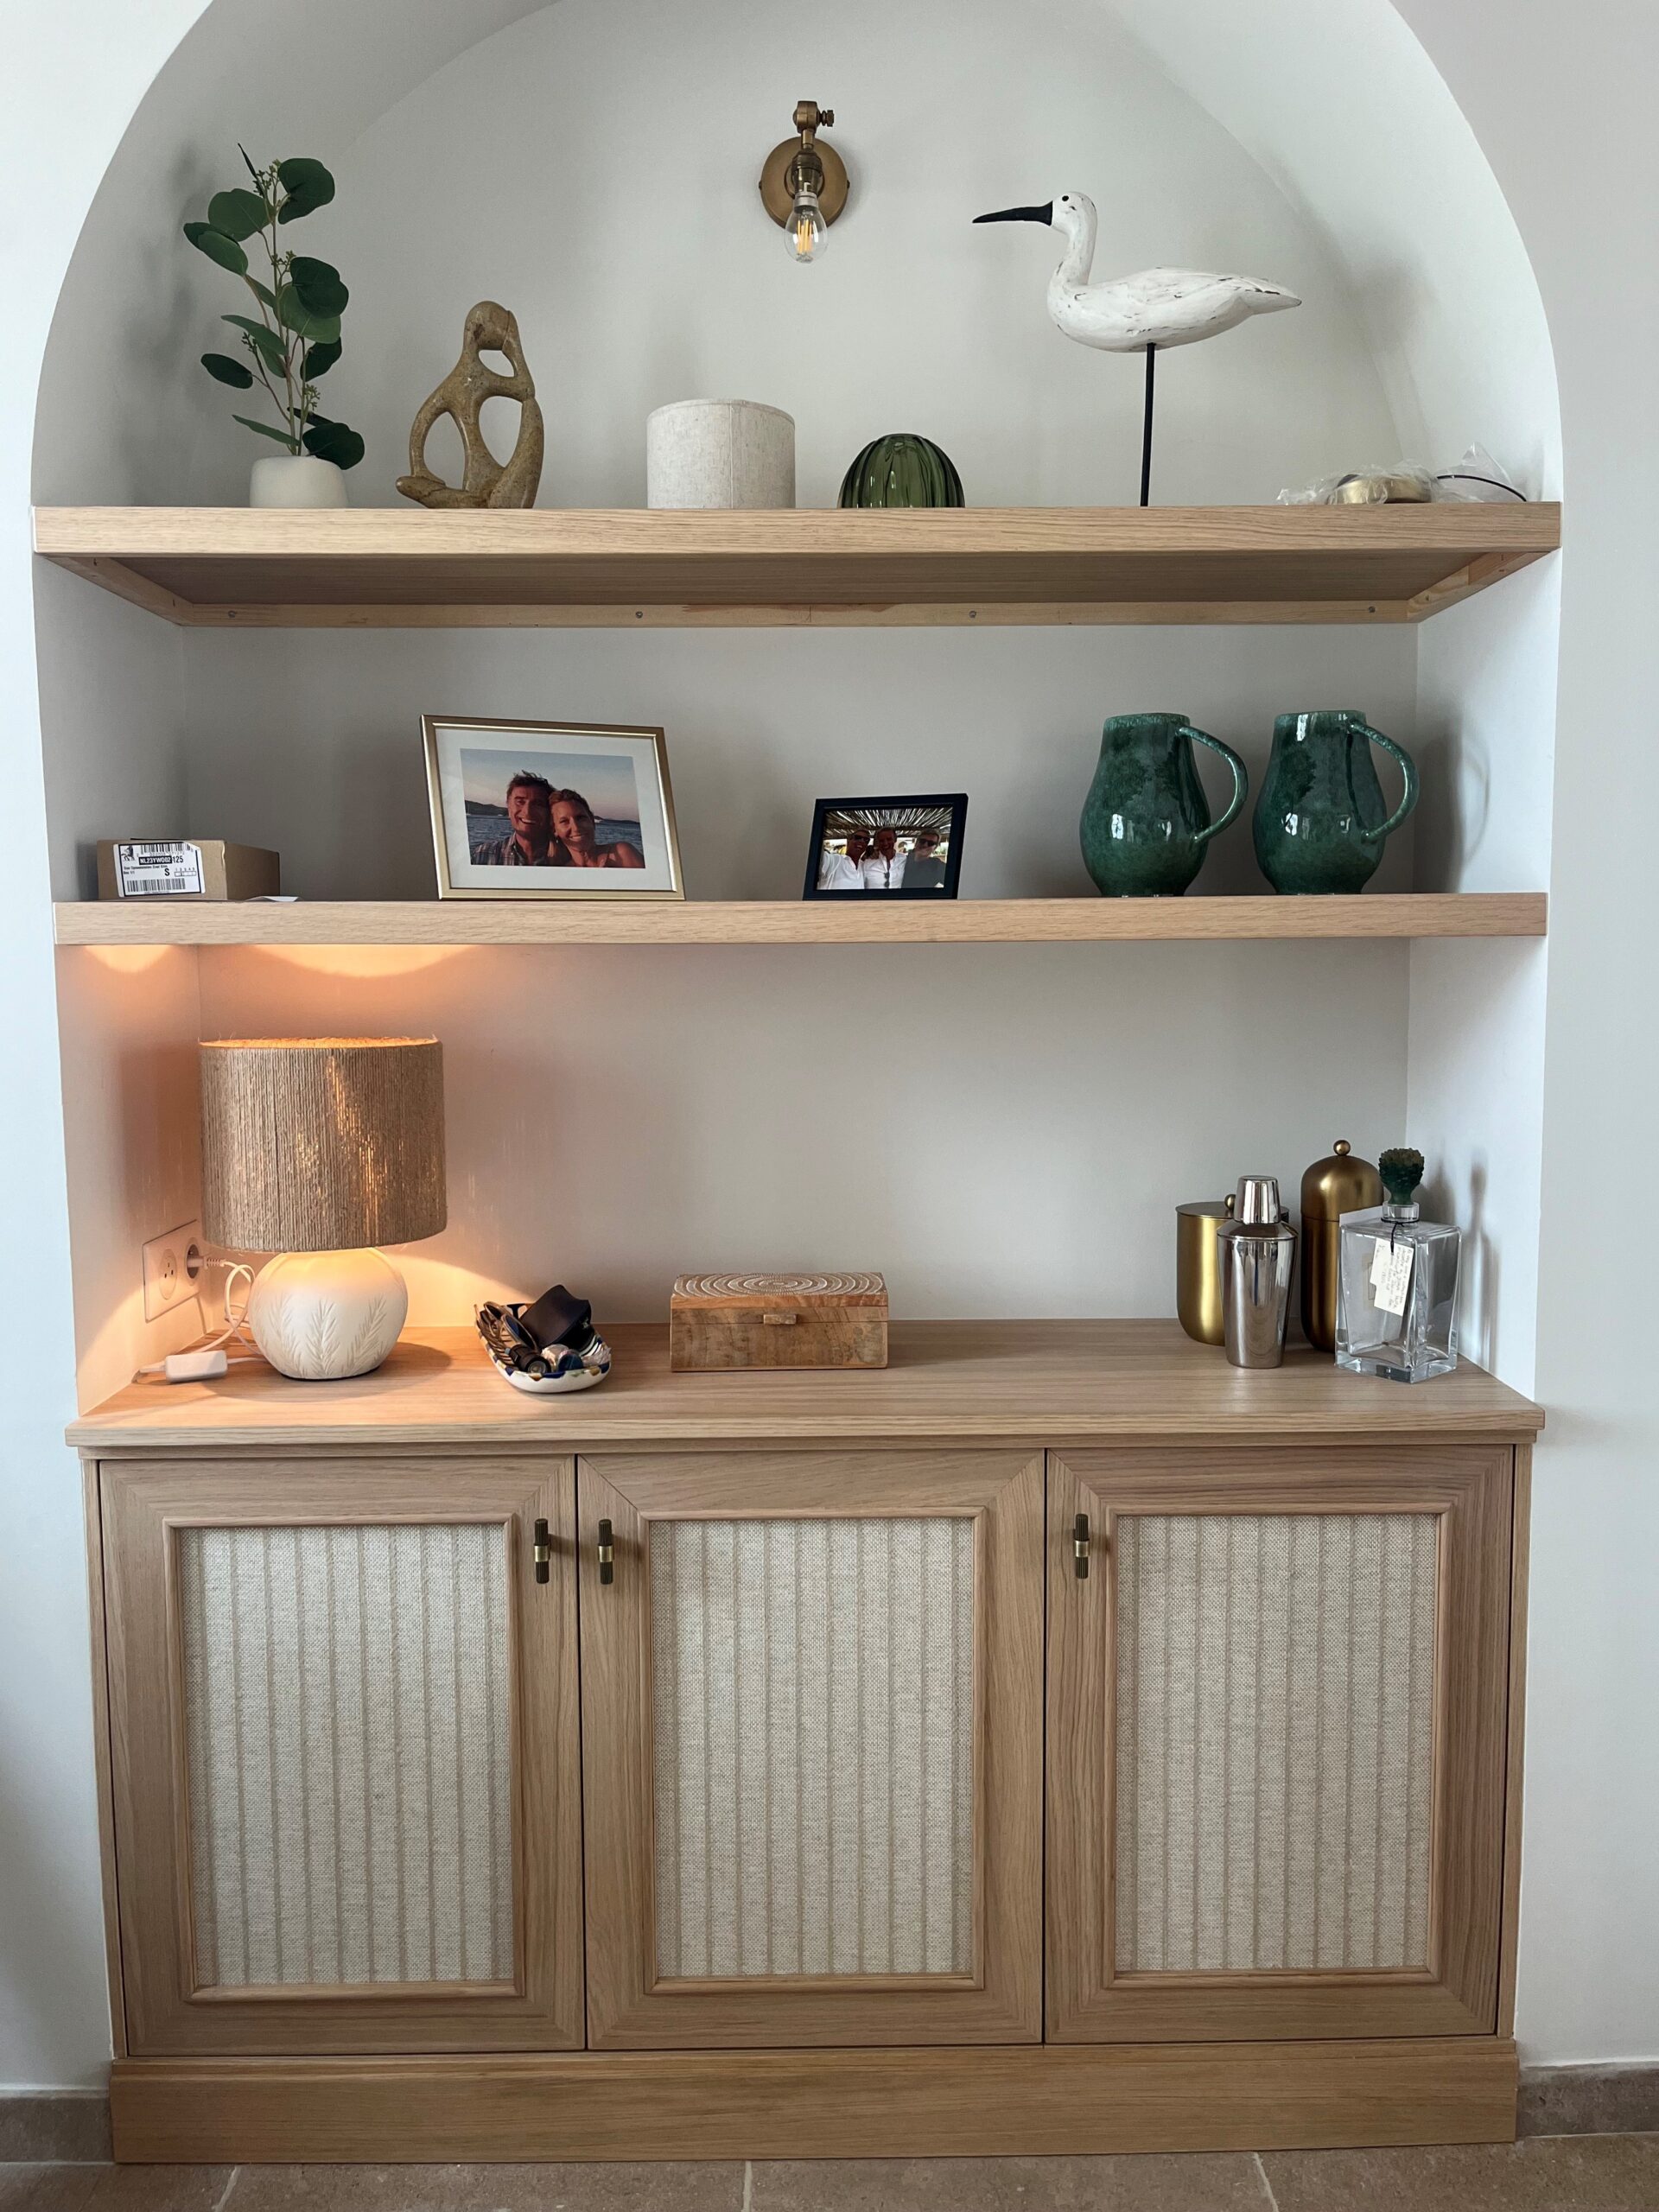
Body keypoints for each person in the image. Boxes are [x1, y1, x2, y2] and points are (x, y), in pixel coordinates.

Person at [474, 771, 565, 866]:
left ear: (550, 812)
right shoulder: (483, 855)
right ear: (509, 806)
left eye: (538, 804)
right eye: (520, 802)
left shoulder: (570, 859)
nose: (527, 811)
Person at [550, 787, 645, 868]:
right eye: (564, 821)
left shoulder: (622, 854)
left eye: (581, 818)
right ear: (554, 830)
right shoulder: (563, 872)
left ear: (592, 820)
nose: (576, 828)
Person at [817, 825, 872, 891]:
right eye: (858, 838)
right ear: (848, 841)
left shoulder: (864, 867)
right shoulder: (834, 861)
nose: (862, 841)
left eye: (866, 840)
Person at [861, 824, 906, 890]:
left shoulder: (903, 860)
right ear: (877, 843)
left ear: (895, 839)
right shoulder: (867, 864)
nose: (885, 843)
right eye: (881, 841)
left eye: (889, 839)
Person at [902, 826, 947, 890]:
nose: (925, 845)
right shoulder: (902, 860)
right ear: (916, 842)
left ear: (935, 848)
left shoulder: (937, 865)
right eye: (922, 841)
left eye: (930, 843)